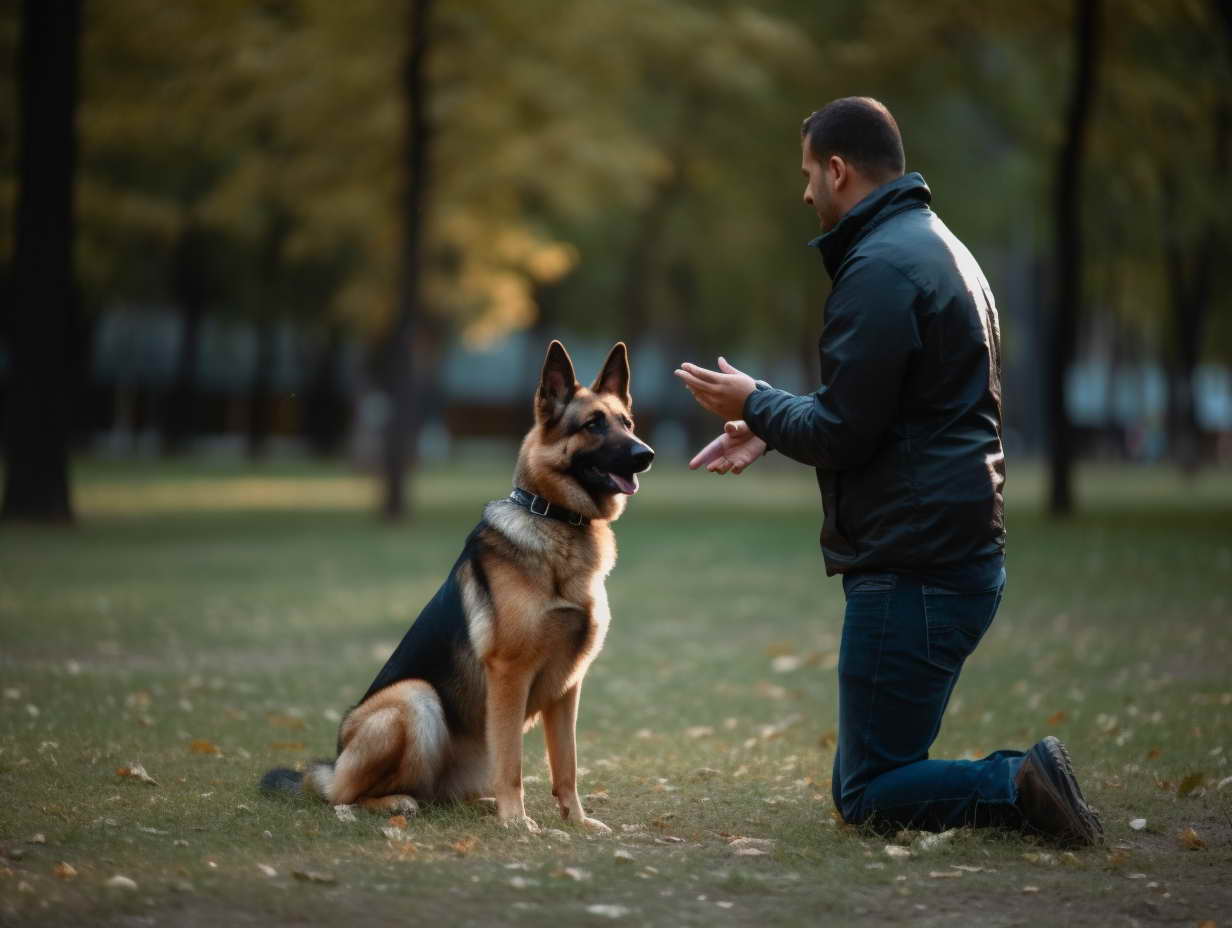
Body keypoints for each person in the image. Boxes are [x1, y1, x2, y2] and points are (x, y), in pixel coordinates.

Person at [674, 96, 1102, 845]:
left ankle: (1020, 781)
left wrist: (756, 401)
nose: (805, 192)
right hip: (954, 550)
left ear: (838, 170)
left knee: (869, 790)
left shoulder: (878, 268)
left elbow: (842, 431)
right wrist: (768, 425)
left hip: (915, 565)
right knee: (873, 776)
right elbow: (883, 411)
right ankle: (1025, 782)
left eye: (808, 173)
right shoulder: (938, 248)